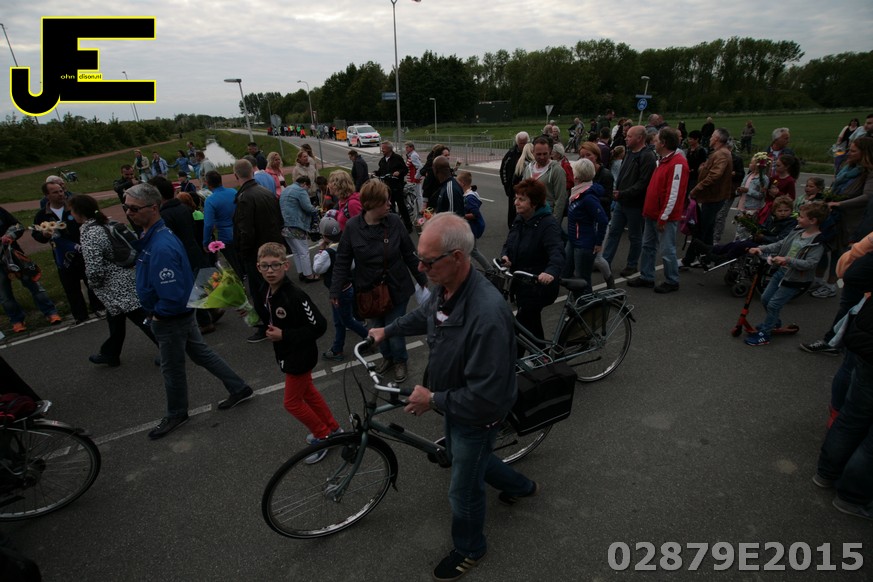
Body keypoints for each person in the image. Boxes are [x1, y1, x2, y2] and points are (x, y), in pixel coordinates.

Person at [369, 213, 538, 581]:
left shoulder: (487, 315)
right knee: (472, 457)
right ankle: (522, 486)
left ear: (457, 257)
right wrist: (388, 330)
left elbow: (486, 396)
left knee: (462, 491)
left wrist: (433, 400)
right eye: (420, 258)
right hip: (454, 401)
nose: (420, 267)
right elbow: (426, 316)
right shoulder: (447, 287)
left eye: (428, 261)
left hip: (476, 413)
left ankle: (470, 548)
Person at [123, 183, 254, 440]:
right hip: (176, 312)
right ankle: (239, 387)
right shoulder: (154, 235)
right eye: (126, 207)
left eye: (134, 208)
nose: (129, 213)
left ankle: (176, 413)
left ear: (153, 208)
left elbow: (172, 294)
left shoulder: (161, 245)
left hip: (170, 317)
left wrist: (158, 314)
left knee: (171, 368)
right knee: (201, 353)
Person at [329, 180, 427, 383]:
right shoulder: (352, 227)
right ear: (371, 204)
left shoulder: (395, 222)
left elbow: (409, 252)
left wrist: (422, 279)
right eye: (385, 201)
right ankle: (387, 357)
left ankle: (399, 360)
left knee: (394, 327)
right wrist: (335, 290)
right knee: (376, 327)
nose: (390, 204)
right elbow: (342, 261)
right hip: (369, 290)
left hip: (396, 286)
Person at [257, 242, 340, 464]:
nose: (270, 271)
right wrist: (247, 313)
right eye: (265, 266)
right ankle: (333, 428)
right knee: (308, 392)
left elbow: (319, 326)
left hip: (300, 356)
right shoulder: (266, 290)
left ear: (286, 265)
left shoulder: (295, 295)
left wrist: (284, 335)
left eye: (275, 265)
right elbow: (268, 316)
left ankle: (323, 436)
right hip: (286, 353)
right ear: (258, 267)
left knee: (292, 402)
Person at [814, 248, 873, 522]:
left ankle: (826, 473)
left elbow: (854, 271)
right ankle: (852, 496)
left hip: (866, 340)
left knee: (853, 415)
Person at [69, 194, 158, 367]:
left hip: (115, 286)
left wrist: (93, 284)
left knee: (141, 319)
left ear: (79, 212)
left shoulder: (89, 233)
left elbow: (94, 266)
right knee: (116, 319)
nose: (71, 215)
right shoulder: (106, 223)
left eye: (72, 211)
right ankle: (110, 353)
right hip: (127, 277)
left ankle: (169, 348)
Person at [745, 201, 829, 347]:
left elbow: (810, 264)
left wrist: (787, 260)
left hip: (795, 279)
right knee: (765, 299)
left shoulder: (817, 242)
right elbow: (780, 244)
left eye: (801, 216)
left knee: (774, 304)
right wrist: (761, 248)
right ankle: (774, 321)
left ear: (813, 220)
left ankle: (765, 334)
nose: (797, 218)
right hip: (781, 272)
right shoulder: (797, 231)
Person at [501, 178, 564, 355]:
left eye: (521, 199)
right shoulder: (520, 219)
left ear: (534, 203)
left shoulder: (548, 224)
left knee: (519, 327)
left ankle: (517, 363)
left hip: (539, 286)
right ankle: (542, 357)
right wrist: (505, 256)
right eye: (516, 198)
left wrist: (550, 272)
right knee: (531, 325)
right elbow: (509, 243)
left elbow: (557, 252)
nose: (516, 202)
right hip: (522, 283)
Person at [150, 176, 218, 334]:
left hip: (182, 254)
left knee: (191, 289)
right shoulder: (184, 208)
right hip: (194, 249)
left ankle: (205, 321)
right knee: (198, 285)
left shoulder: (164, 215)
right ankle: (213, 310)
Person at [32, 181, 104, 324]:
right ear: (47, 196)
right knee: (71, 287)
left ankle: (99, 307)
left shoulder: (73, 208)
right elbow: (36, 234)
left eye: (61, 191)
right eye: (55, 192)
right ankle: (80, 315)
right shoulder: (42, 215)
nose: (60, 194)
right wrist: (44, 235)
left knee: (91, 280)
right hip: (62, 256)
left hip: (82, 251)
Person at [627, 127, 689, 293]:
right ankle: (647, 276)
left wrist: (664, 216)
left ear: (664, 143)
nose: (654, 143)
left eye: (656, 140)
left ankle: (672, 280)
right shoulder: (663, 160)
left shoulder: (677, 163)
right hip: (652, 213)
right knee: (648, 246)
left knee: (667, 249)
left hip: (663, 216)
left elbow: (674, 193)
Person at [232, 158, 285, 343]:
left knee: (260, 291)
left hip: (256, 253)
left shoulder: (244, 198)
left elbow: (245, 231)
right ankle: (280, 319)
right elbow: (279, 220)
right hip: (273, 247)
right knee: (275, 287)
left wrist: (243, 252)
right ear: (252, 172)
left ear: (236, 175)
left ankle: (266, 325)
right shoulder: (266, 192)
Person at [601, 125, 657, 277]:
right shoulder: (629, 153)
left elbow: (643, 183)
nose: (626, 138)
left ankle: (632, 265)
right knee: (613, 232)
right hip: (621, 201)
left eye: (629, 136)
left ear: (639, 138)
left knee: (635, 235)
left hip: (635, 204)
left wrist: (623, 193)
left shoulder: (647, 156)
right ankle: (605, 262)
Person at [313, 216, 369, 361]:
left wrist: (320, 250)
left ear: (324, 236)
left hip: (337, 292)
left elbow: (317, 268)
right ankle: (337, 348)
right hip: (347, 287)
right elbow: (352, 265)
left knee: (347, 320)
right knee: (340, 321)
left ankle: (370, 338)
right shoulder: (345, 246)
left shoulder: (327, 253)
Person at [0, 206, 61, 332]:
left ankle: (51, 312)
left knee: (34, 284)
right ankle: (16, 320)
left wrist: (9, 235)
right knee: (4, 296)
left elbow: (18, 226)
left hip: (15, 256)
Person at [681, 128, 734, 268]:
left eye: (712, 136)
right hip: (712, 197)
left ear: (717, 139)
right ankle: (709, 257)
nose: (710, 138)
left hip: (713, 197)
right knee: (708, 228)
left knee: (700, 230)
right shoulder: (719, 153)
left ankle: (688, 259)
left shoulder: (722, 154)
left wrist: (696, 189)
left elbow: (715, 175)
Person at [565, 158, 608, 287]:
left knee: (582, 280)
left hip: (584, 244)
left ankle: (584, 298)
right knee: (565, 273)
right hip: (574, 240)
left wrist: (599, 242)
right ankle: (576, 296)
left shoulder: (588, 197)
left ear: (577, 176)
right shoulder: (578, 193)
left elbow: (603, 219)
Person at [280, 175, 320, 283]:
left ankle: (301, 273)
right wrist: (316, 210)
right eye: (308, 187)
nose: (307, 190)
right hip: (297, 225)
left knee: (296, 251)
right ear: (305, 184)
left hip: (285, 226)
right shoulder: (301, 191)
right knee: (304, 252)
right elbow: (308, 207)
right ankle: (309, 275)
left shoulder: (286, 190)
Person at [202, 170, 241, 276]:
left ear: (208, 184)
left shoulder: (210, 200)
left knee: (234, 267)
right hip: (240, 232)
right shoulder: (233, 192)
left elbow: (208, 224)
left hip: (225, 237)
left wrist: (206, 242)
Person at [522, 136, 568, 222]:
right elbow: (522, 192)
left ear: (550, 152)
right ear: (533, 152)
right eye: (539, 154)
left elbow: (560, 198)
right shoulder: (528, 168)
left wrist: (555, 222)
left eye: (545, 154)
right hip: (529, 216)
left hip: (547, 217)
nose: (542, 157)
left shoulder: (557, 170)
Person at [376, 141, 412, 233]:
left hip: (397, 186)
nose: (382, 150)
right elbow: (381, 171)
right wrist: (375, 173)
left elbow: (405, 169)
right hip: (387, 187)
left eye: (383, 148)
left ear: (389, 149)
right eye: (382, 148)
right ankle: (392, 226)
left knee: (401, 206)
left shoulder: (397, 158)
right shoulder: (382, 160)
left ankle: (408, 226)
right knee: (389, 208)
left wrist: (399, 172)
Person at [456, 171, 488, 270]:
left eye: (457, 182)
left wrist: (461, 216)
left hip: (472, 228)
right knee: (463, 249)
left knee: (473, 251)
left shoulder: (470, 197)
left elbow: (475, 214)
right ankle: (466, 268)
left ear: (462, 183)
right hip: (468, 227)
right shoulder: (468, 194)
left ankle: (490, 269)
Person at [499, 132, 530, 228]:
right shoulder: (511, 154)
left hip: (527, 188)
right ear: (517, 142)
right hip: (513, 188)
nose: (523, 145)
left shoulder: (530, 153)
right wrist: (506, 185)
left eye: (525, 143)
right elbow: (503, 170)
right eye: (521, 143)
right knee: (513, 209)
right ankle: (512, 227)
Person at [404, 141, 424, 217]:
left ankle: (420, 210)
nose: (406, 149)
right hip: (411, 178)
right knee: (415, 195)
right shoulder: (411, 155)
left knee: (417, 195)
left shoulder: (413, 155)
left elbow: (420, 167)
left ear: (411, 147)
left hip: (413, 179)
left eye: (407, 147)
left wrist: (416, 177)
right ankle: (417, 209)